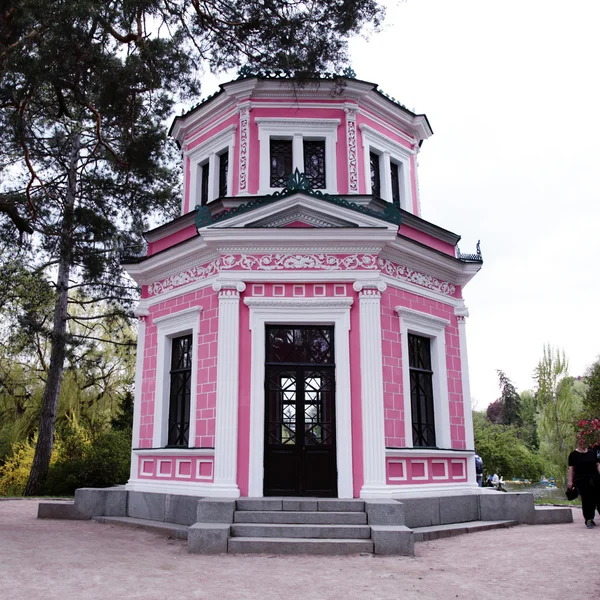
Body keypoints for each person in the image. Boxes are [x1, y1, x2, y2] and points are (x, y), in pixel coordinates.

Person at [567, 435, 600, 528]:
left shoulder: (591, 452)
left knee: (598, 498)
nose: (583, 442)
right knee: (587, 500)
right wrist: (570, 481)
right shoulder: (573, 455)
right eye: (582, 440)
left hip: (595, 479)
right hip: (581, 480)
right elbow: (571, 469)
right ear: (578, 441)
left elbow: (597, 465)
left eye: (585, 440)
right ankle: (589, 519)